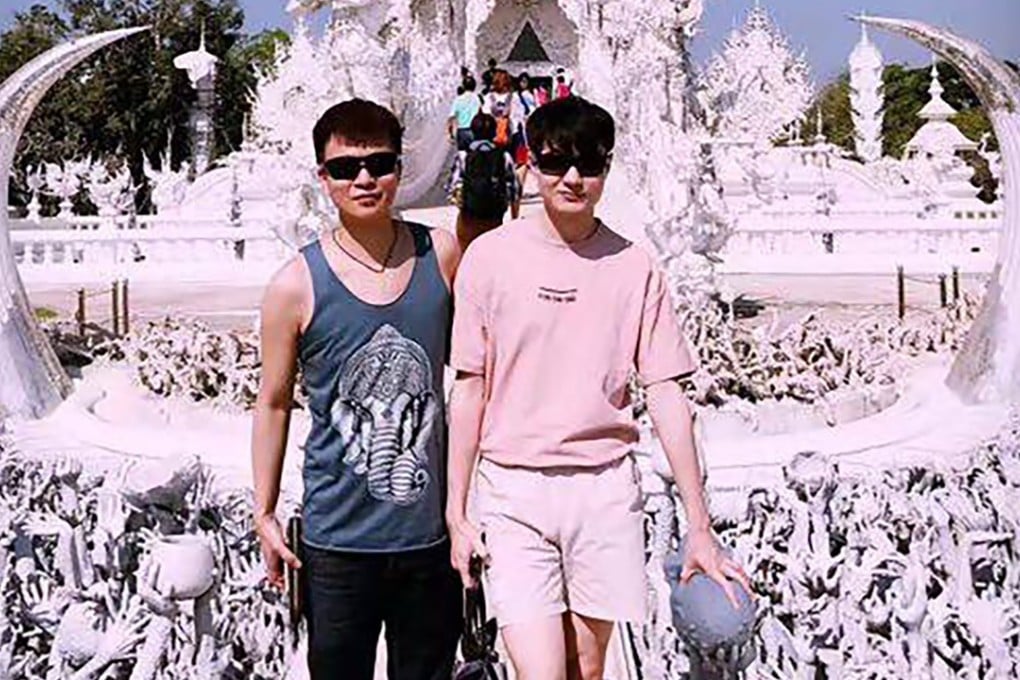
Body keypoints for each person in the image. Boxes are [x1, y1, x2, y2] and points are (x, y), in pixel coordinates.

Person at [445, 97, 751, 680]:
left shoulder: (635, 266)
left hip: (604, 487)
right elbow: (469, 389)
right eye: (555, 162)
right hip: (514, 487)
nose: (572, 178)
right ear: (530, 163)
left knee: (587, 666)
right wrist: (456, 513)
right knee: (540, 671)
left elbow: (666, 394)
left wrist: (700, 525)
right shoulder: (488, 259)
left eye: (589, 164)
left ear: (608, 166)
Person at [252, 98, 463, 680]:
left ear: (400, 168)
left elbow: (476, 375)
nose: (364, 179)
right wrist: (264, 512)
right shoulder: (295, 285)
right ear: (323, 177)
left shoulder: (442, 255)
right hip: (337, 542)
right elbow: (273, 402)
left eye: (380, 163)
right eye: (346, 168)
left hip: (431, 537)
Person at [446, 112, 520, 251]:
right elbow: (515, 190)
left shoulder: (463, 156)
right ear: (494, 132)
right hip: (494, 217)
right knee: (491, 253)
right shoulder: (504, 156)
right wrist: (514, 217)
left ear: (472, 132)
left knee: (467, 254)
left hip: (468, 217)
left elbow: (452, 188)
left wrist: (465, 202)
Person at [510, 72, 537, 192]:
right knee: (521, 145)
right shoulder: (515, 96)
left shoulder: (531, 94)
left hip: (530, 123)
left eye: (525, 81)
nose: (523, 84)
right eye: (522, 81)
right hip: (520, 125)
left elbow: (535, 107)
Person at [483, 70, 514, 151]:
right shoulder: (512, 97)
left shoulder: (489, 97)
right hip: (501, 134)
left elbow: (486, 114)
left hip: (501, 134)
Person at [449, 75, 482, 152]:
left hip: (461, 131)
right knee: (475, 154)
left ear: (463, 86)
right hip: (474, 131)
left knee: (462, 154)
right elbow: (481, 113)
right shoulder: (477, 98)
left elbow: (451, 117)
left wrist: (450, 133)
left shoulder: (458, 99)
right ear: (474, 86)